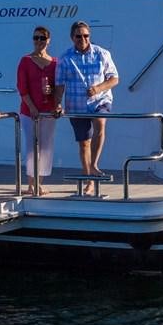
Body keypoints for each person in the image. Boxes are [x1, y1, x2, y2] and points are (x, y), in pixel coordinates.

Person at [56, 20, 119, 195]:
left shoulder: (102, 53)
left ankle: (94, 165)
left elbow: (114, 78)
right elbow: (60, 84)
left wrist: (98, 88)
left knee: (100, 122)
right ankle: (89, 178)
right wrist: (57, 103)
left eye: (86, 35)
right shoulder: (65, 58)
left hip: (100, 101)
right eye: (78, 36)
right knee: (84, 143)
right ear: (72, 37)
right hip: (76, 105)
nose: (82, 39)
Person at [16, 25, 60, 196]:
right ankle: (31, 184)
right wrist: (32, 108)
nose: (39, 41)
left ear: (48, 41)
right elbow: (22, 87)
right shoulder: (25, 60)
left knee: (46, 147)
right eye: (36, 38)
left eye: (42, 38)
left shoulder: (55, 63)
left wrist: (56, 101)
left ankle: (39, 183)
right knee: (32, 146)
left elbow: (59, 87)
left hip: (48, 110)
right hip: (30, 111)